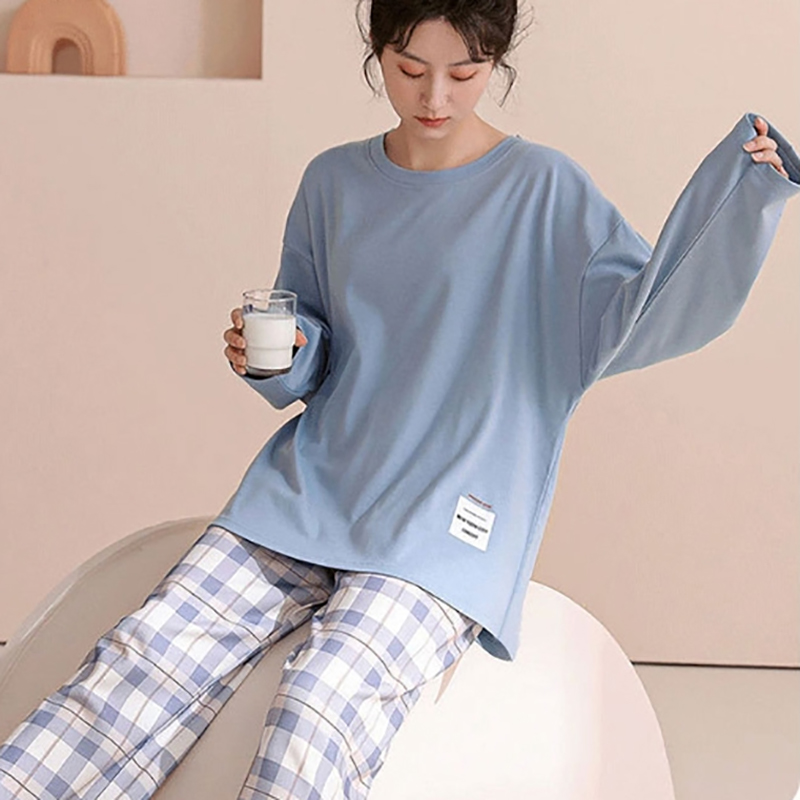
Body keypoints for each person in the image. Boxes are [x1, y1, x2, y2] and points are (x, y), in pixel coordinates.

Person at [2, 2, 798, 799]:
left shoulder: (545, 190)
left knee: (320, 705)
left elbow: (644, 314)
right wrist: (277, 357)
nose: (435, 97)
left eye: (464, 73)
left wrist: (742, 195)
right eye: (409, 69)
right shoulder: (333, 182)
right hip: (309, 494)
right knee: (138, 662)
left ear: (497, 61)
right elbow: (312, 343)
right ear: (377, 49)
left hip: (446, 523)